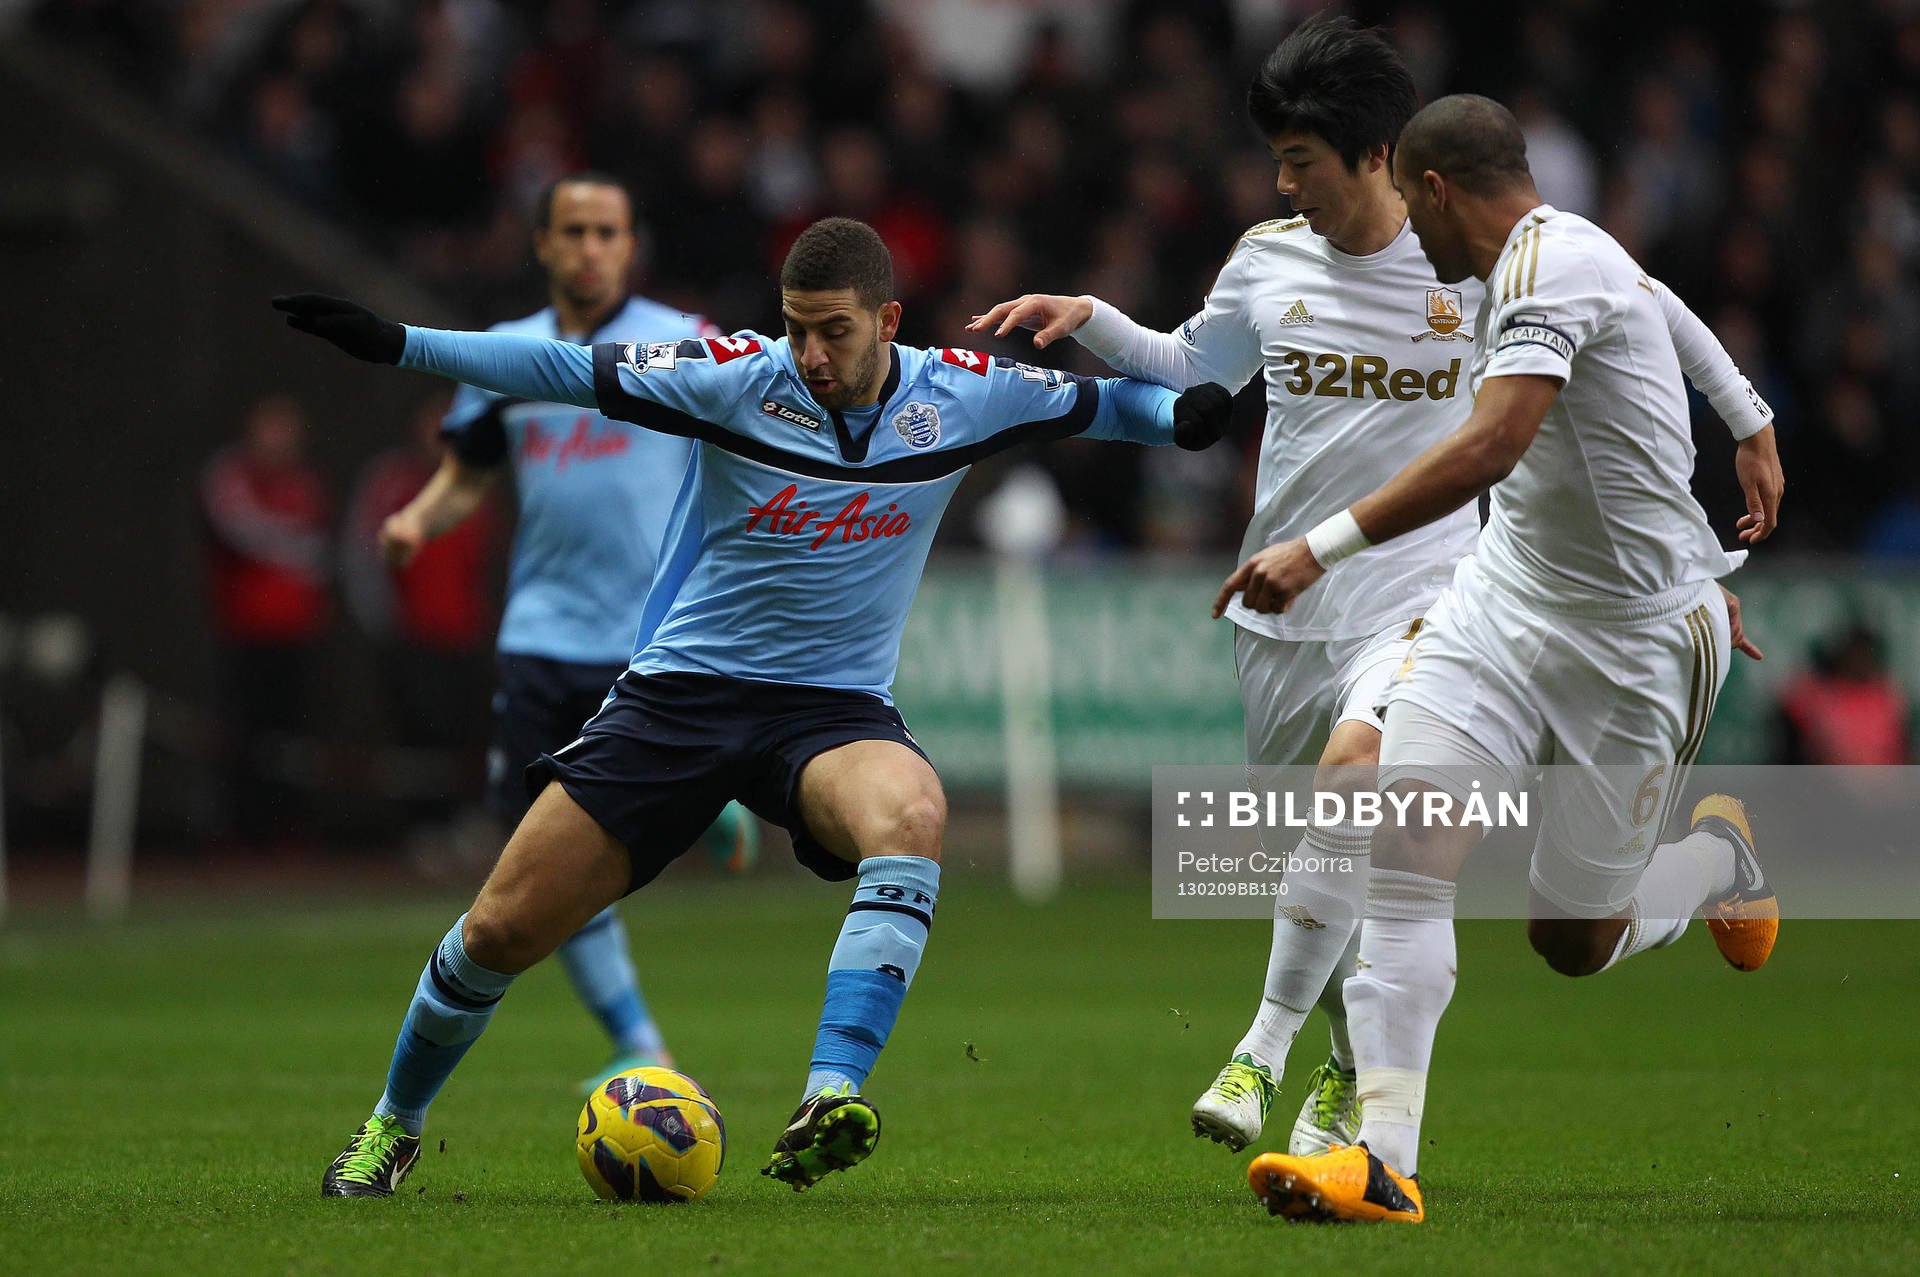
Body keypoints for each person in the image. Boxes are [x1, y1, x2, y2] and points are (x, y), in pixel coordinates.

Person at [274, 216, 1234, 1198]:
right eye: (796, 328)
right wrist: (395, 342)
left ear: (889, 321)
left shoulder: (963, 392)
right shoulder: (735, 375)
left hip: (832, 712)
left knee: (913, 814)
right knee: (499, 931)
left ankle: (830, 1093)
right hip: (681, 700)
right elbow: (559, 368)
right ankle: (392, 1124)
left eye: (835, 332)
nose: (810, 354)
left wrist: (1186, 418)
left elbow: (1113, 405)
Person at [970, 15, 1779, 1162]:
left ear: (1378, 157)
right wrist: (1091, 321)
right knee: (1392, 870)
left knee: (1366, 788)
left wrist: (1738, 439)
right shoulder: (1268, 256)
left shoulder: (1480, 256)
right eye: (1278, 161)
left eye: (1300, 158)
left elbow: (1645, 316)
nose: (1283, 180)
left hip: (1431, 590)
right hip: (1287, 605)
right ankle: (1695, 873)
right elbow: (1197, 363)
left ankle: (1279, 1056)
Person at [1229, 94, 1786, 1224]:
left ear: (1437, 189)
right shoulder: (1551, 258)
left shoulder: (1555, 262)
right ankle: (1382, 1157)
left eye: (1415, 213)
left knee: (1572, 938)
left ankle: (1717, 861)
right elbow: (1663, 301)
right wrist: (1749, 415)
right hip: (1498, 607)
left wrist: (1319, 547)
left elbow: (1494, 442)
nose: (1414, 245)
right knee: (1406, 835)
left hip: (1634, 645)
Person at [373, 173, 758, 1092]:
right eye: (573, 230)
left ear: (632, 245)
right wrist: (421, 520)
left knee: (589, 839)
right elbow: (469, 467)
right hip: (543, 636)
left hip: (656, 645)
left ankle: (717, 788)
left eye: (608, 231)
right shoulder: (504, 354)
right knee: (541, 862)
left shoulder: (688, 343)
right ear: (541, 244)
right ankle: (642, 1044)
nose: (590, 246)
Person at [199, 393, 330, 846]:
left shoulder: (305, 482)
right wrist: (294, 547)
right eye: (271, 427)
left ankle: (287, 830)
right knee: (244, 735)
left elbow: (322, 549)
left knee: (292, 737)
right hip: (245, 630)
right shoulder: (230, 473)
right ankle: (239, 832)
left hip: (297, 631)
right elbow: (242, 529)